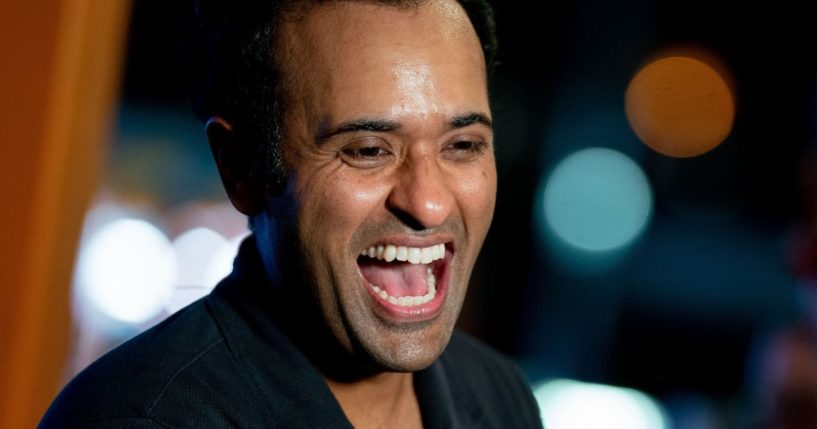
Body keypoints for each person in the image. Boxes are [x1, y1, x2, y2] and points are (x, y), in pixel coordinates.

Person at [40, 0, 543, 427]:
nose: (429, 203)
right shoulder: (142, 416)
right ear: (241, 169)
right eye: (368, 150)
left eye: (463, 145)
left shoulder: (499, 396)